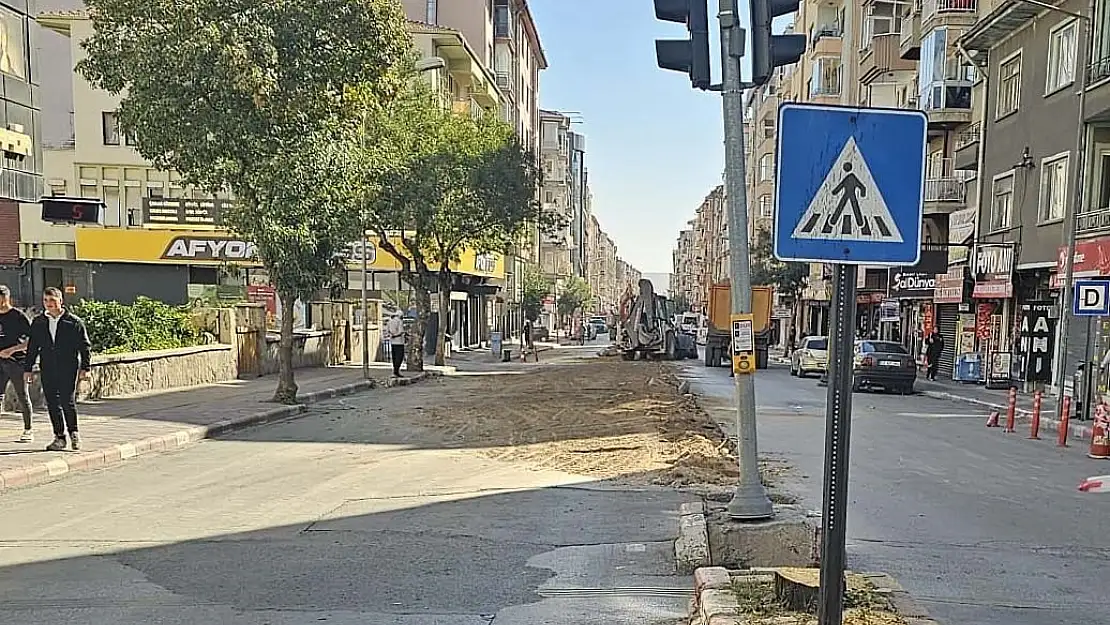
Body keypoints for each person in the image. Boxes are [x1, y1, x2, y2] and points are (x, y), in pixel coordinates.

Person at [23, 287, 92, 451]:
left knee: (67, 401)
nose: (49, 304)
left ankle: (74, 433)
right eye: (46, 301)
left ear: (61, 301)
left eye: (52, 300)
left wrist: (86, 368)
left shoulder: (73, 322)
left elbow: (85, 346)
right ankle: (59, 437)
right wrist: (28, 369)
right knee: (52, 402)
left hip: (68, 367)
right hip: (47, 367)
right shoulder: (39, 322)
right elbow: (33, 347)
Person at [0, 285, 34, 442]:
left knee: (22, 395)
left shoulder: (18, 316)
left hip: (16, 362)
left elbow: (31, 341)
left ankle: (28, 430)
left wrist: (12, 350)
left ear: (6, 298)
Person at [385, 310, 406, 378]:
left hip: (393, 342)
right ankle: (396, 371)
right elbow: (400, 331)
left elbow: (387, 331)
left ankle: (395, 371)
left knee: (394, 357)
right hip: (399, 342)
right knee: (399, 357)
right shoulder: (399, 322)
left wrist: (391, 335)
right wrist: (396, 335)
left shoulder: (390, 322)